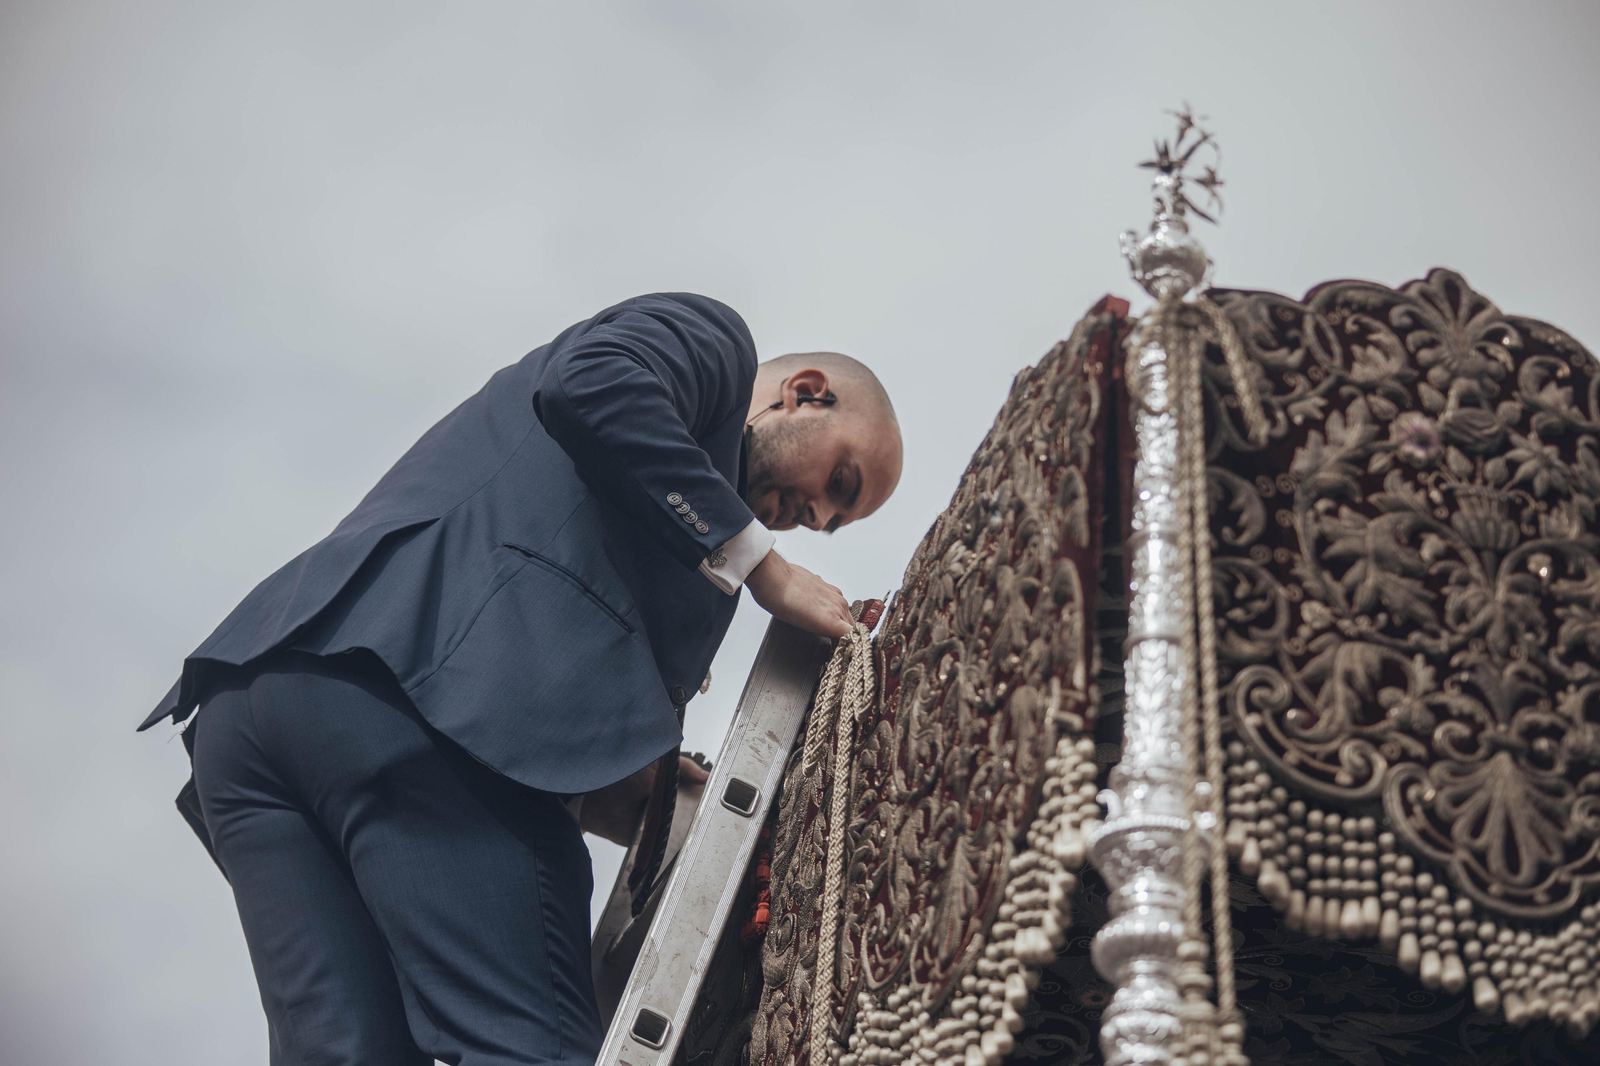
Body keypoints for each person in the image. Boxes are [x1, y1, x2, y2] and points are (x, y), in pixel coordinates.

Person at [138, 292, 903, 1066]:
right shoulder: (712, 345)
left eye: (834, 523)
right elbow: (591, 382)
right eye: (838, 481)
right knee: (531, 1048)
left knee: (344, 1052)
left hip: (266, 706)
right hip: (418, 706)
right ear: (804, 392)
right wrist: (763, 570)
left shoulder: (695, 536)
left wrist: (643, 784)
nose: (814, 518)